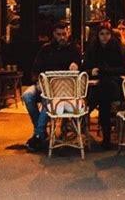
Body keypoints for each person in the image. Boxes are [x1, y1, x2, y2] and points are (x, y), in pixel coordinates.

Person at [22, 20, 81, 151]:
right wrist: (39, 82)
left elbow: (80, 67)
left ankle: (38, 134)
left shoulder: (73, 49)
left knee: (47, 99)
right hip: (43, 83)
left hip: (62, 89)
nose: (62, 37)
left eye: (64, 34)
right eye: (59, 34)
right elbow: (35, 70)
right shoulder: (46, 49)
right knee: (27, 96)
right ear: (54, 34)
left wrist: (76, 64)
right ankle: (40, 131)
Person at [84, 21, 125, 150]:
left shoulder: (117, 47)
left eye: (107, 34)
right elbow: (84, 67)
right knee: (103, 99)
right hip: (97, 84)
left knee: (103, 96)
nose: (105, 37)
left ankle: (87, 110)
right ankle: (106, 139)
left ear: (111, 35)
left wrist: (107, 70)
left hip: (113, 84)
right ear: (97, 35)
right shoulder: (93, 48)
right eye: (102, 34)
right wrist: (91, 71)